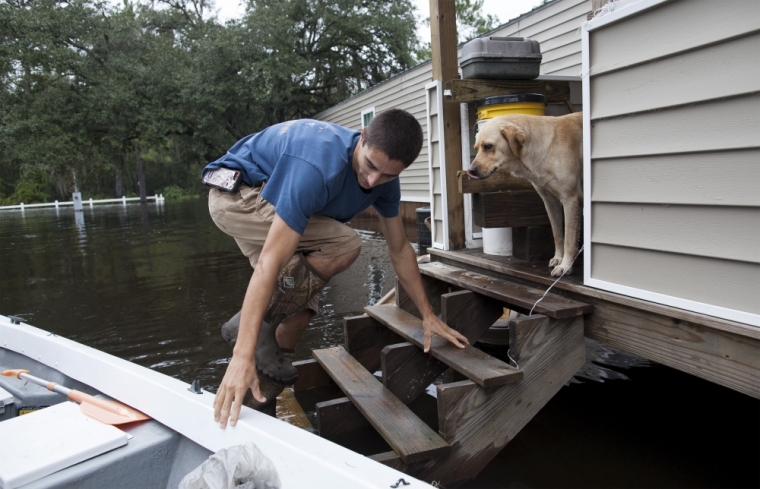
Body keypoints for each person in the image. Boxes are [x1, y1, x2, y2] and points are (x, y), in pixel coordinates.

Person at [204, 109, 468, 428]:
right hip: (237, 195)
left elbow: (399, 248)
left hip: (270, 199)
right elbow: (270, 264)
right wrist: (240, 355)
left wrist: (428, 315)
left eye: (386, 175)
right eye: (370, 166)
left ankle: (256, 411)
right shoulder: (316, 167)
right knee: (345, 243)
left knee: (300, 309)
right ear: (362, 136)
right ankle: (245, 336)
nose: (373, 181)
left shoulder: (384, 180)